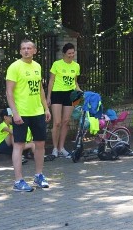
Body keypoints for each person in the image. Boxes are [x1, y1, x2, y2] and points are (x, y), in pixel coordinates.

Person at [5, 39, 51, 192]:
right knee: (18, 145)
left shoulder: (37, 66)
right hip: (22, 113)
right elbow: (9, 92)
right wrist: (15, 113)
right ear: (20, 51)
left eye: (29, 48)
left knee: (40, 144)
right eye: (23, 48)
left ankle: (39, 176)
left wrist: (46, 108)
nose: (26, 51)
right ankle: (18, 181)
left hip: (37, 112)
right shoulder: (14, 67)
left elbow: (40, 90)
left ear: (34, 51)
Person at [46, 42, 81, 158]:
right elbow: (51, 81)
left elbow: (75, 82)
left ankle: (61, 148)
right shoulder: (57, 64)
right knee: (57, 122)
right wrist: (48, 97)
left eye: (73, 53)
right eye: (69, 53)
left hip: (71, 94)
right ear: (64, 54)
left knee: (66, 122)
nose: (71, 55)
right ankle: (55, 148)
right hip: (57, 93)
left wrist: (80, 94)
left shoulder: (76, 66)